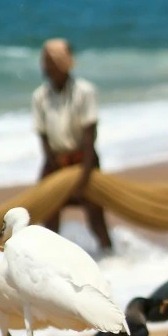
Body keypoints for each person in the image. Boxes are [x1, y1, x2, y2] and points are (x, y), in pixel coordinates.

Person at [32, 38, 113, 251]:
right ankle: (50, 258)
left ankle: (110, 257)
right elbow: (43, 137)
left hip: (83, 160)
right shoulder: (40, 97)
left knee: (96, 217)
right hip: (55, 162)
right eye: (46, 63)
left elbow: (89, 136)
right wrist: (54, 166)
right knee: (49, 217)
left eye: (52, 63)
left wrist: (84, 176)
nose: (47, 69)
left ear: (63, 64)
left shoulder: (85, 92)